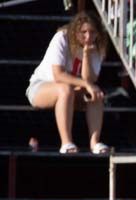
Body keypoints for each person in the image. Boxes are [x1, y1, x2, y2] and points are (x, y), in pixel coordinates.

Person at [27, 11, 109, 154]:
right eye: (83, 32)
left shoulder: (97, 46)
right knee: (65, 89)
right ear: (75, 31)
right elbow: (58, 75)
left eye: (92, 32)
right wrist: (87, 85)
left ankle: (95, 142)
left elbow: (89, 80)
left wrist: (86, 55)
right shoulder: (62, 38)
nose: (88, 37)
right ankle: (66, 143)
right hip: (40, 86)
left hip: (72, 91)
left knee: (95, 93)